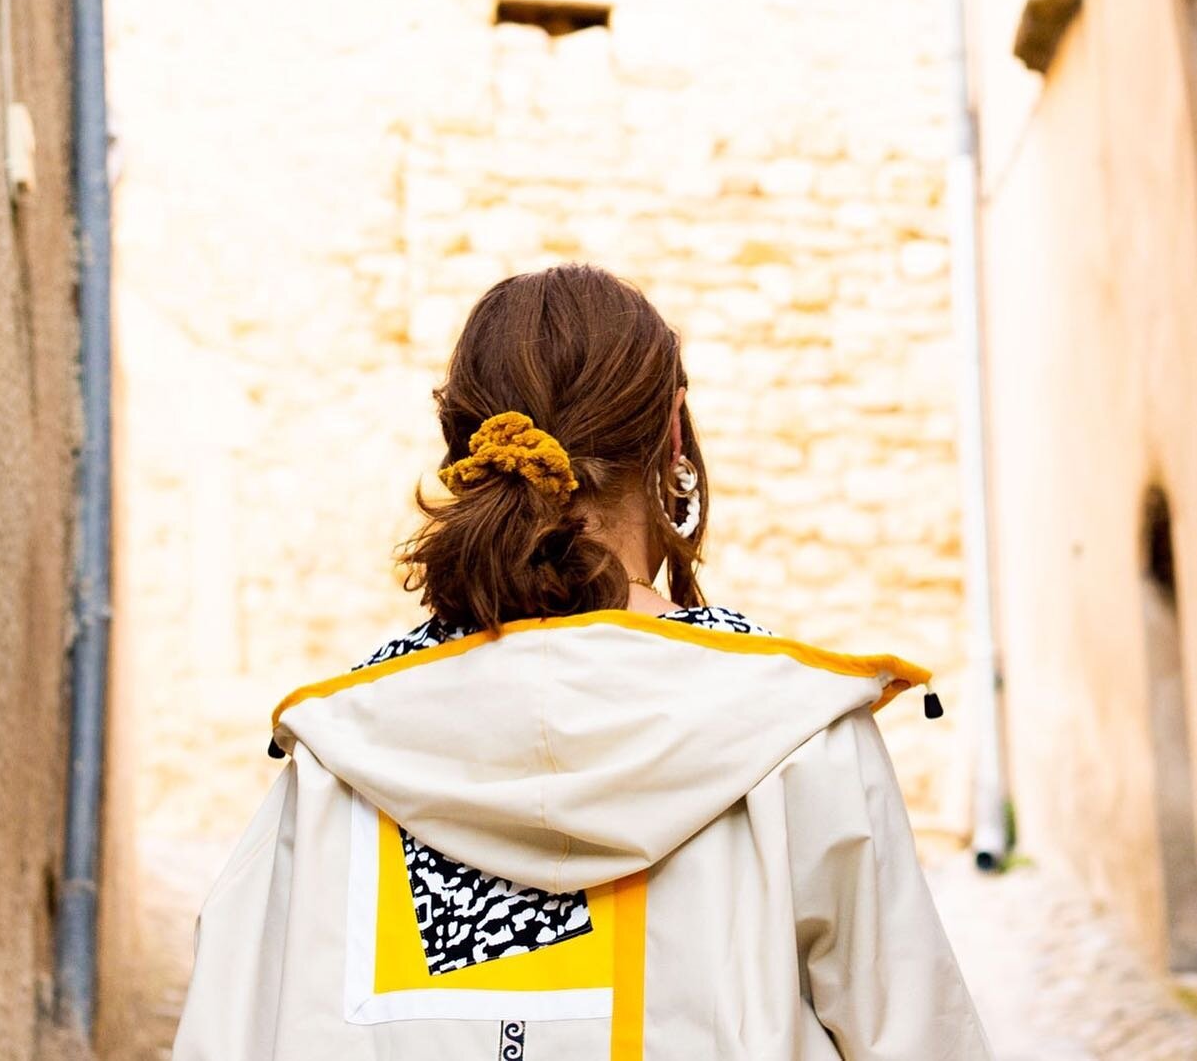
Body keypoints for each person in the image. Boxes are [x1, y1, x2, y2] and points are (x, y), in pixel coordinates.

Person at [171, 263, 994, 1060]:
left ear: (463, 445)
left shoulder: (340, 756)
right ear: (672, 430)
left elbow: (223, 1030)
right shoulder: (794, 736)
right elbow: (914, 1033)